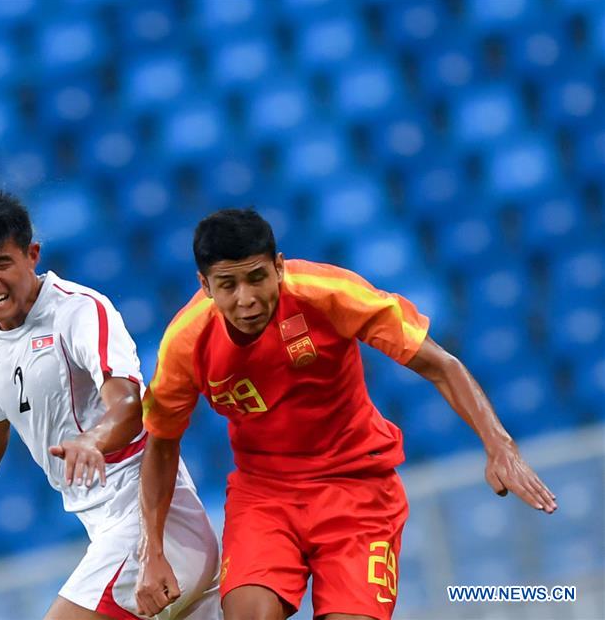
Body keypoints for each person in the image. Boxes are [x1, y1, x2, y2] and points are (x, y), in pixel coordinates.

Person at [135, 208, 557, 620]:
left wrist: (499, 445)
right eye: (227, 285)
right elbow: (161, 440)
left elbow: (441, 365)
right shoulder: (184, 344)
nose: (246, 300)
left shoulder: (329, 294)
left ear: (279, 267)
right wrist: (152, 550)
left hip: (358, 490)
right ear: (205, 285)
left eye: (257, 277)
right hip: (265, 495)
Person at [0, 190, 220, 620]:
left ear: (32, 254)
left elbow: (129, 404)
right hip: (105, 528)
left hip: (156, 527)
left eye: (2, 263)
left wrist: (92, 440)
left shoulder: (79, 312)